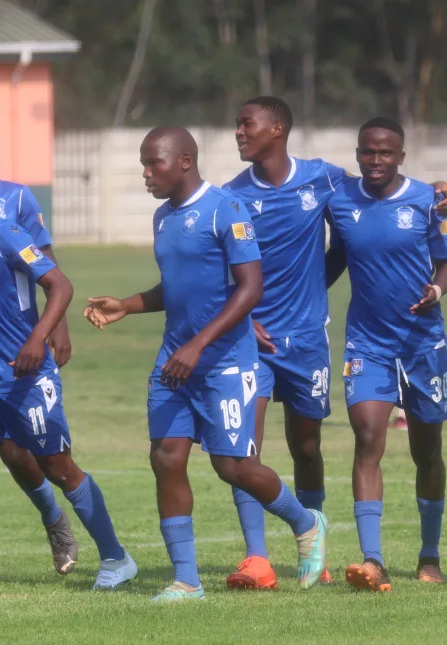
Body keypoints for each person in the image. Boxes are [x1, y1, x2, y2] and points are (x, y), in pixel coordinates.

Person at [83, 126, 327, 602]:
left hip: (225, 363)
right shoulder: (162, 217)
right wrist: (127, 305)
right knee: (166, 457)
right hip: (175, 360)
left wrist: (198, 346)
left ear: (185, 161)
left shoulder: (226, 209)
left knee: (233, 466)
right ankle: (187, 580)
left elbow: (250, 289)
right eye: (143, 163)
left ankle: (306, 523)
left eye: (154, 162)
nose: (146, 172)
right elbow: (177, 288)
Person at [222, 96, 447, 590]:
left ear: (277, 129)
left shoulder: (326, 181)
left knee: (313, 447)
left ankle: (346, 551)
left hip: (330, 341)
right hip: (272, 340)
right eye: (367, 152)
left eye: (246, 123)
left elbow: (407, 213)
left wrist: (438, 194)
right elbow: (219, 260)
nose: (238, 131)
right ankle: (264, 559)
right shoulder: (234, 195)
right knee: (248, 447)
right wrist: (241, 315)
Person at [0, 162, 136, 589]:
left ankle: (116, 558)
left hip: (24, 376)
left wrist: (37, 338)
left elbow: (60, 285)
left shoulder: (4, 234)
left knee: (59, 468)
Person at [326, 116, 447, 591]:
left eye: (385, 153)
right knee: (368, 437)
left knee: (427, 452)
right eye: (367, 151)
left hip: (422, 344)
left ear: (401, 157)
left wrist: (437, 290)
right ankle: (372, 560)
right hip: (367, 343)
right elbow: (335, 257)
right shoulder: (340, 201)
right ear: (357, 154)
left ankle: (430, 555)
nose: (375, 160)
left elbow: (445, 260)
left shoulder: (427, 201)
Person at [0, 121, 76, 575]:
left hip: (15, 349)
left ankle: (54, 519)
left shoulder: (17, 198)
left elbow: (47, 267)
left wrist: (56, 328)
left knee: (16, 454)